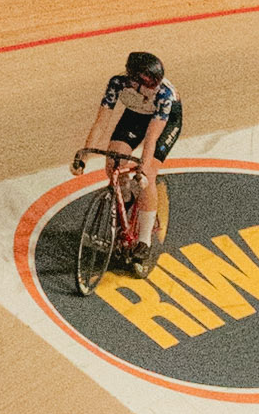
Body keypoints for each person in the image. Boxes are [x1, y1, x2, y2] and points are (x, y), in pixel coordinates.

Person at [71, 50, 182, 273]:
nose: (153, 88)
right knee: (113, 161)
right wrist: (83, 155)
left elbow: (151, 139)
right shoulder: (118, 84)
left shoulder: (164, 95)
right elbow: (101, 123)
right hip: (135, 116)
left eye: (155, 83)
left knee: (148, 174)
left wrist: (142, 170)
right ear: (133, 80)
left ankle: (144, 242)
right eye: (149, 83)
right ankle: (126, 197)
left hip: (165, 122)